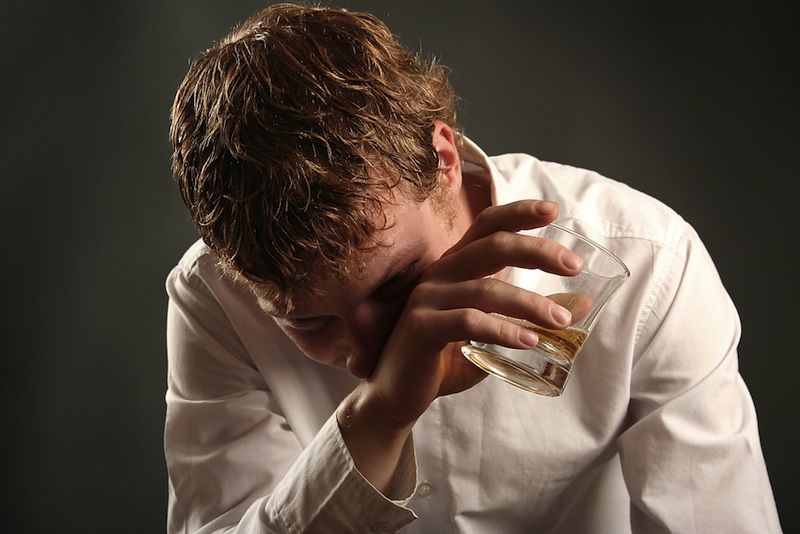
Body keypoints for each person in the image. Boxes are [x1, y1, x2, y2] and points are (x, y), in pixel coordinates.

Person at [164, 3, 781, 533]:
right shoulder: (214, 298)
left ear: (443, 157)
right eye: (310, 322)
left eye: (397, 284)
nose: (368, 354)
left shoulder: (648, 266)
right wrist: (378, 416)